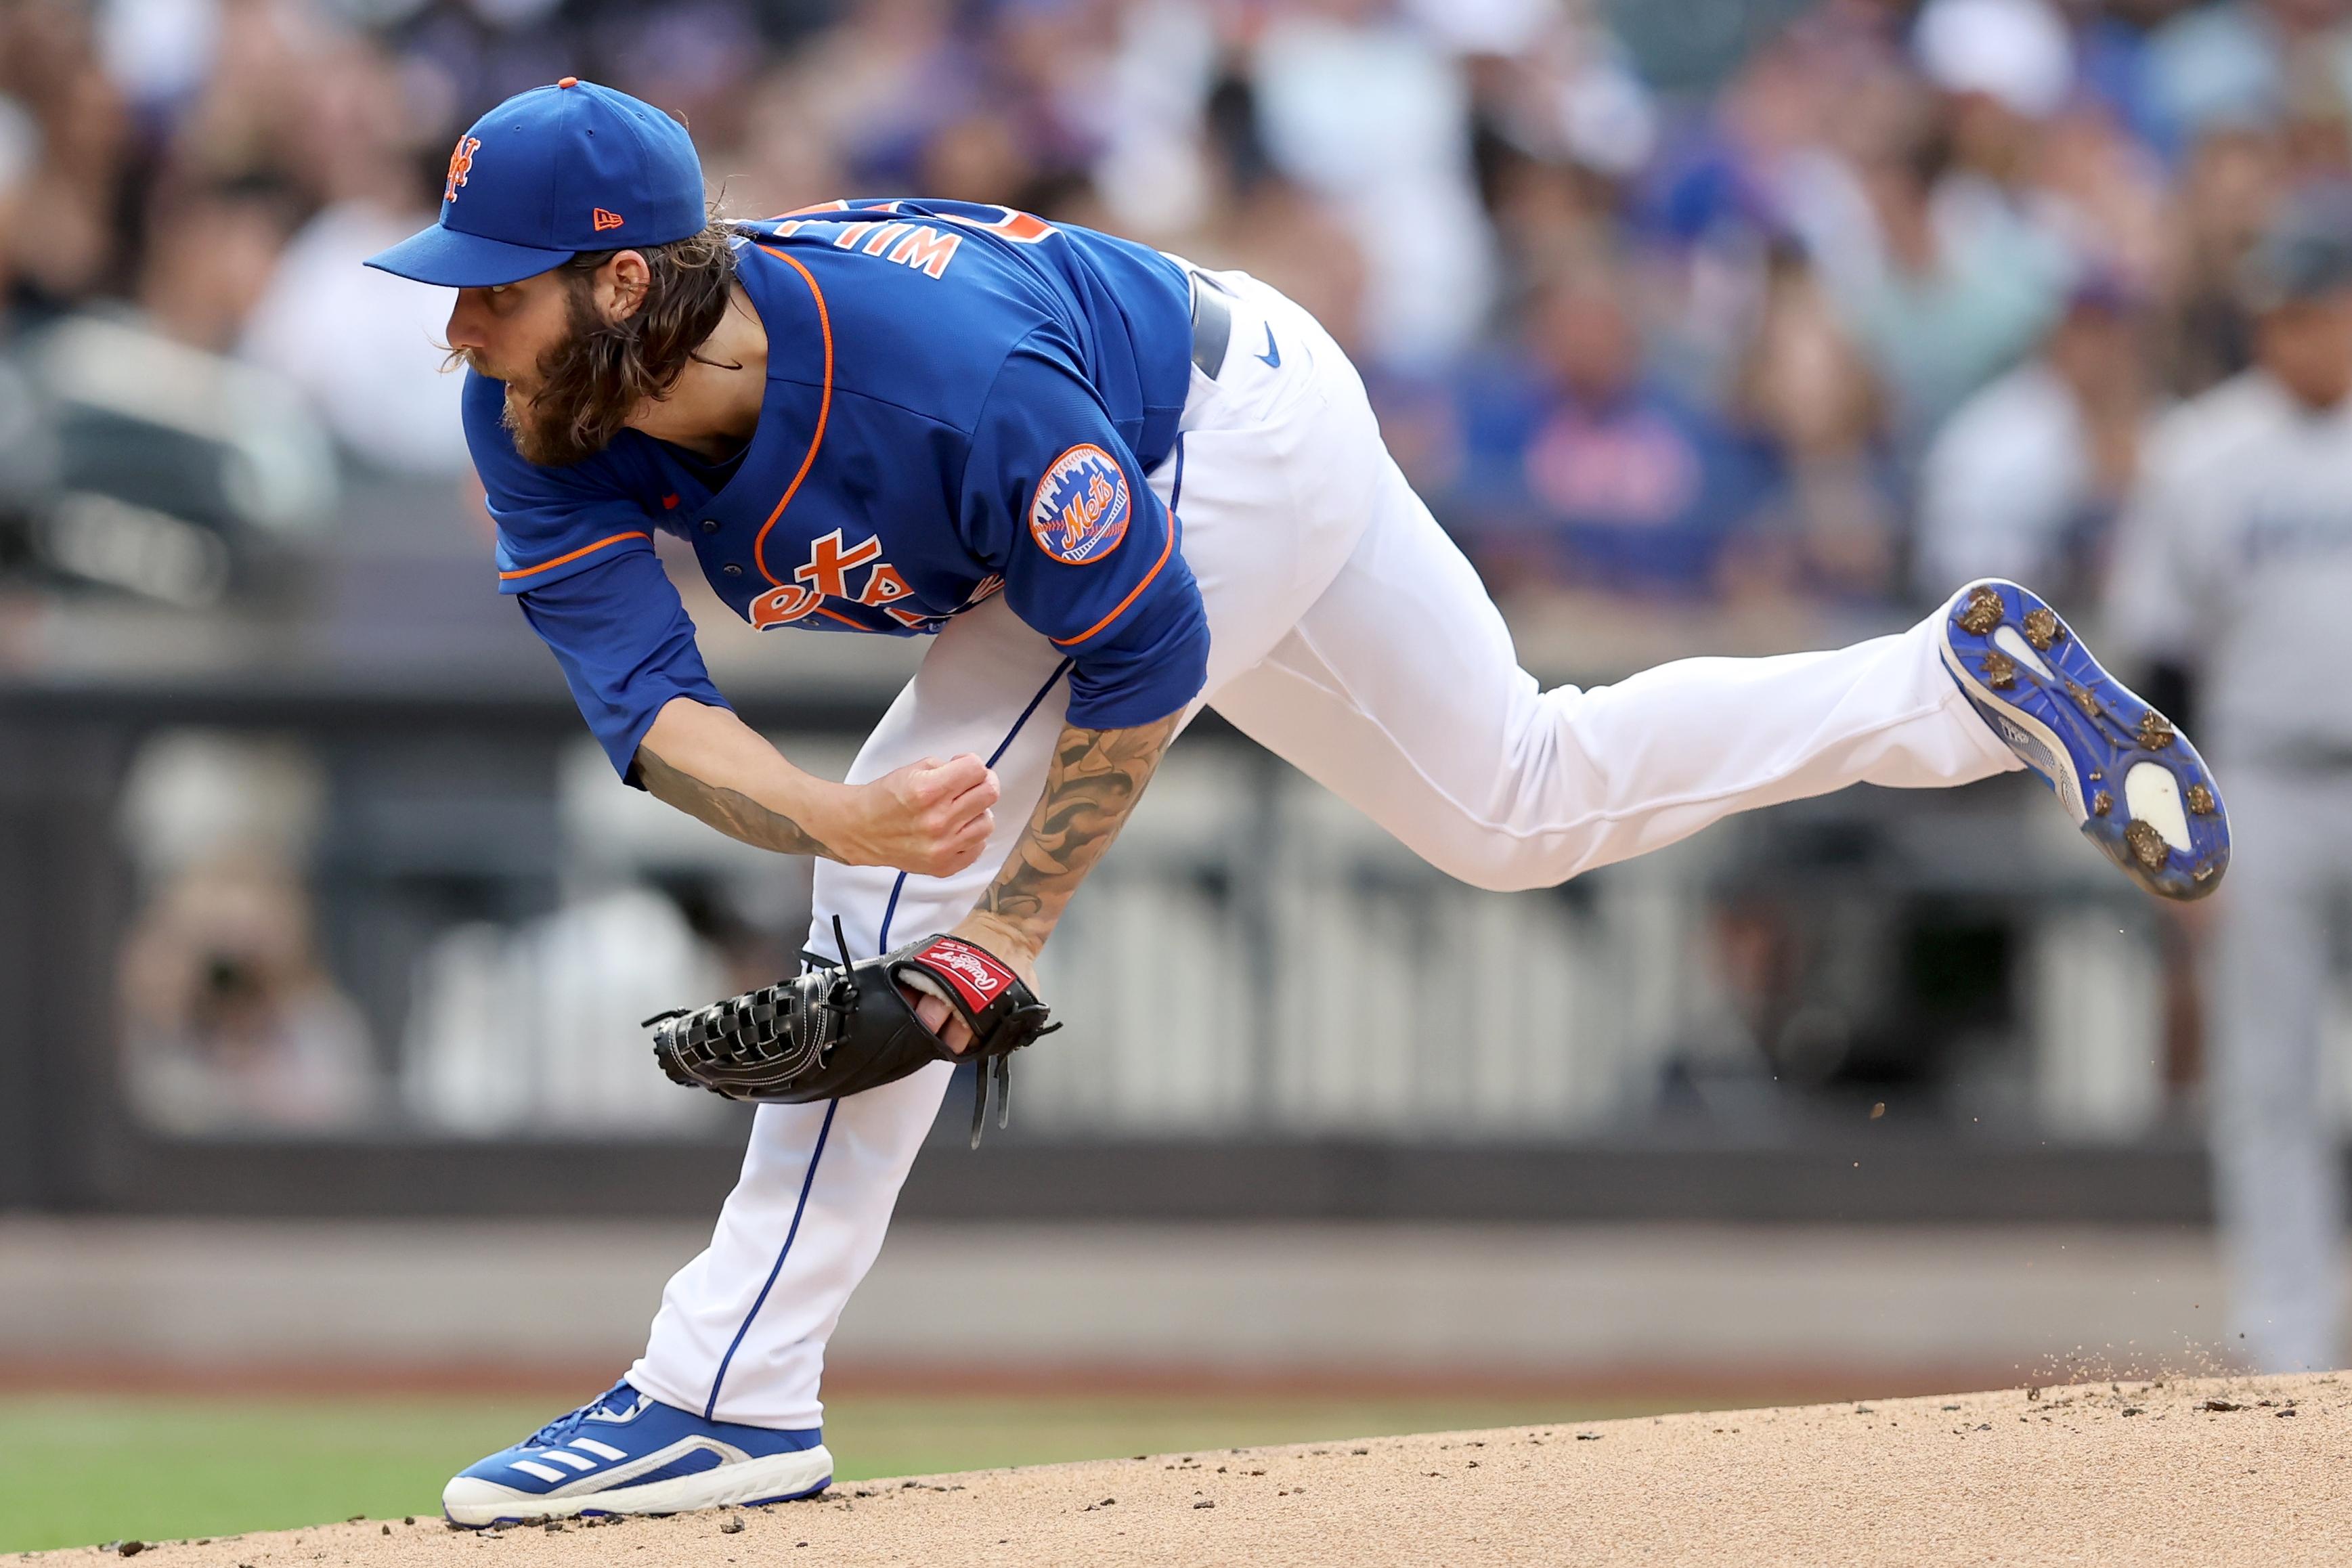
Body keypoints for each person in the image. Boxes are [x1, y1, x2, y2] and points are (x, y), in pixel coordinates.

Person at [365, 80, 2232, 1525]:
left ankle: (723, 1393)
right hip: (1187, 392)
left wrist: (995, 926)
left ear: (623, 281)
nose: (459, 331)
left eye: (492, 294)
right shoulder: (535, 413)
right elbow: (655, 710)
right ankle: (1944, 688)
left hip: (1215, 435)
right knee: (1513, 801)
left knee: (899, 916)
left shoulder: (938, 373)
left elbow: (1145, 656)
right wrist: (834, 828)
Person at [2106, 191, 2352, 1376]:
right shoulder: (2201, 450)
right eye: (2286, 310)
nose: (2301, 330)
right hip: (2260, 782)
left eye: (2320, 307)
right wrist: (2165, 837)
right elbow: (2158, 664)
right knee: (2267, 1080)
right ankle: (2290, 1353)